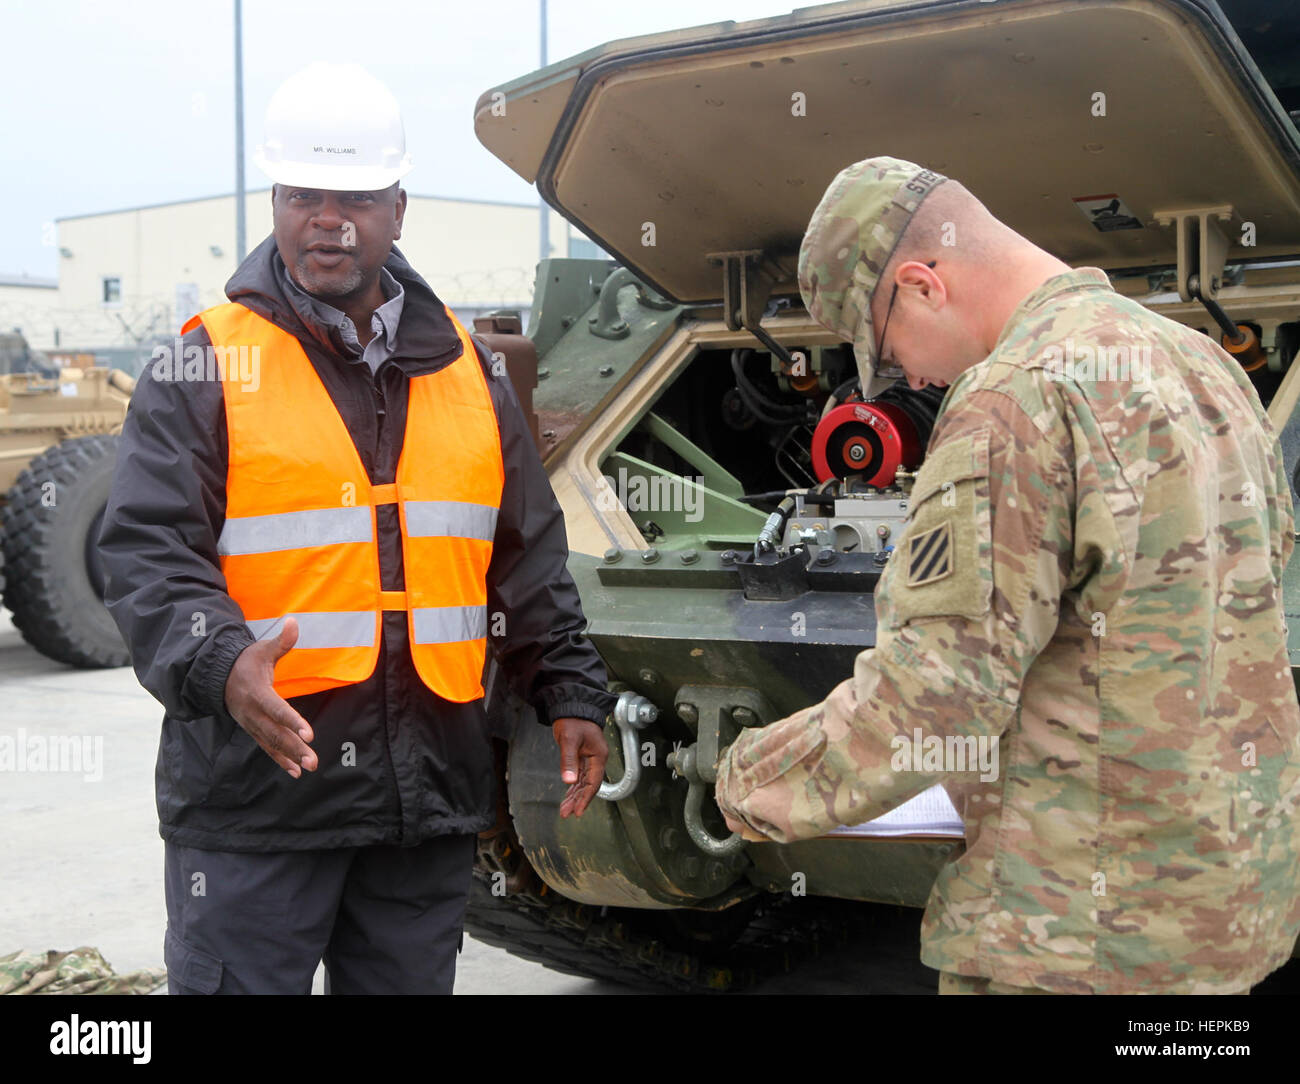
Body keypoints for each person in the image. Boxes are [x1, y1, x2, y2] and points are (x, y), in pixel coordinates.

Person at [714, 155, 1300, 994]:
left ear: (921, 284)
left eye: (889, 350)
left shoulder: (1014, 398)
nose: (909, 381)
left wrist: (747, 785)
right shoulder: (1205, 366)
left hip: (1069, 934)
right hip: (1223, 912)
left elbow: (938, 694)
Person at [97, 62, 614, 995]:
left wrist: (570, 688)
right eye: (303, 194)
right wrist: (217, 662)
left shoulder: (469, 370)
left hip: (425, 799)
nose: (327, 217)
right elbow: (144, 550)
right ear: (275, 200)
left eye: (356, 197)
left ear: (399, 207)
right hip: (258, 801)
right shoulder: (204, 363)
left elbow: (524, 556)